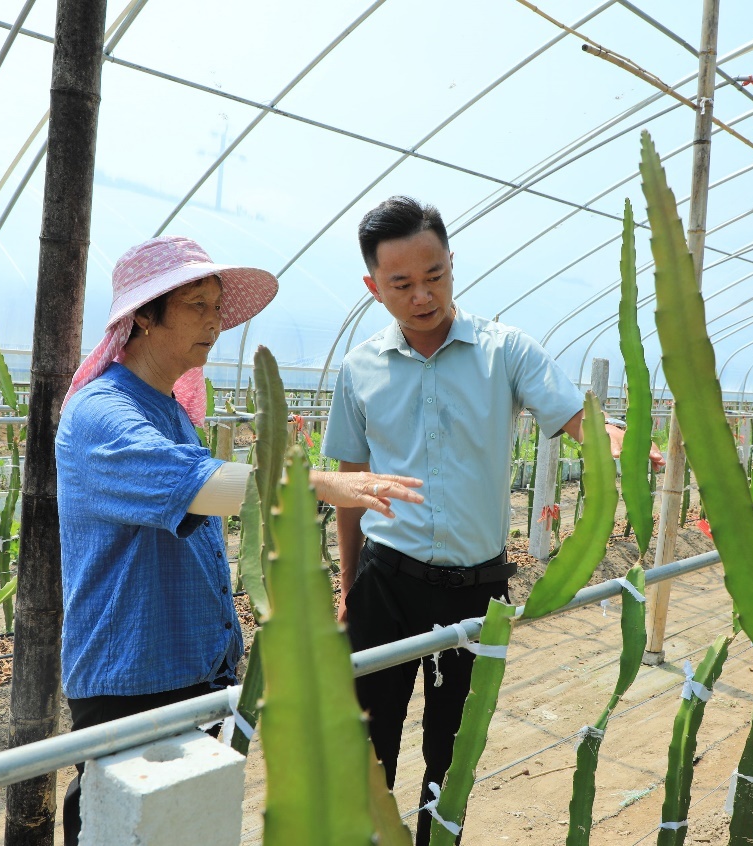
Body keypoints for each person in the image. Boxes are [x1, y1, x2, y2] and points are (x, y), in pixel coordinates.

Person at [55, 235, 423, 846]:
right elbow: (202, 486)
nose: (215, 322)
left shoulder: (167, 408)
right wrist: (321, 483)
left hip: (190, 670)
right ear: (143, 317)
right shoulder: (103, 412)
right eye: (197, 305)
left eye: (217, 306)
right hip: (134, 679)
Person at [323, 196, 663, 845]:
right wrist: (347, 585)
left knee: (451, 749)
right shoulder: (359, 366)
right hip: (385, 580)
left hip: (473, 588)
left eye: (435, 276)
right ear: (374, 287)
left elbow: (568, 413)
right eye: (402, 284)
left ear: (451, 264)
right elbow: (351, 480)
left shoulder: (505, 351)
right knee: (369, 741)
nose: (423, 295)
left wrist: (615, 436)